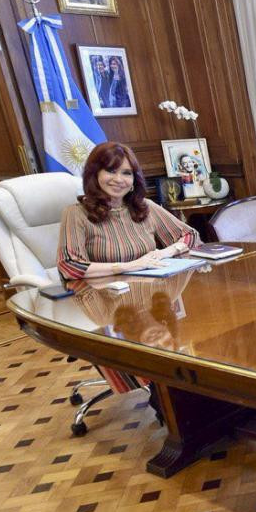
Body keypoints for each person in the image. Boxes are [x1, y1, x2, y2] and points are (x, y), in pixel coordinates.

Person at [58, 141, 200, 395]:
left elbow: (189, 236)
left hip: (149, 300)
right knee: (156, 367)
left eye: (126, 173)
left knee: (185, 361)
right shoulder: (77, 214)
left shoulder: (144, 209)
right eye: (111, 171)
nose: (118, 179)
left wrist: (166, 251)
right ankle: (163, 404)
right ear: (94, 175)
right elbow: (70, 266)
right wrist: (127, 266)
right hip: (107, 306)